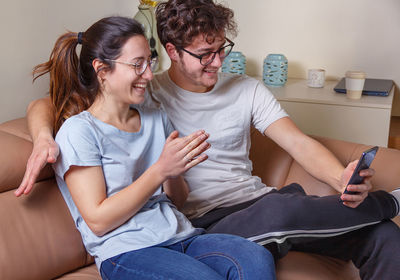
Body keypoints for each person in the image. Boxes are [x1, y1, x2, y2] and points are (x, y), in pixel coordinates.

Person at [17, 1, 400, 279]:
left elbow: (298, 143)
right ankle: (388, 202)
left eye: (221, 50)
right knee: (281, 214)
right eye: (204, 54)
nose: (217, 63)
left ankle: (379, 212)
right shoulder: (146, 94)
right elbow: (48, 106)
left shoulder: (241, 90)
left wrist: (341, 180)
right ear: (172, 52)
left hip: (254, 202)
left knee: (381, 235)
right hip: (208, 219)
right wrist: (42, 139)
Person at [28, 16, 276, 280]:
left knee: (256, 257)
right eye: (138, 65)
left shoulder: (155, 117)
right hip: (127, 251)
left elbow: (177, 200)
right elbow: (98, 221)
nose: (148, 74)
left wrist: (175, 171)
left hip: (181, 235)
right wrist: (159, 171)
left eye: (150, 62)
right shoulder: (80, 131)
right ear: (102, 70)